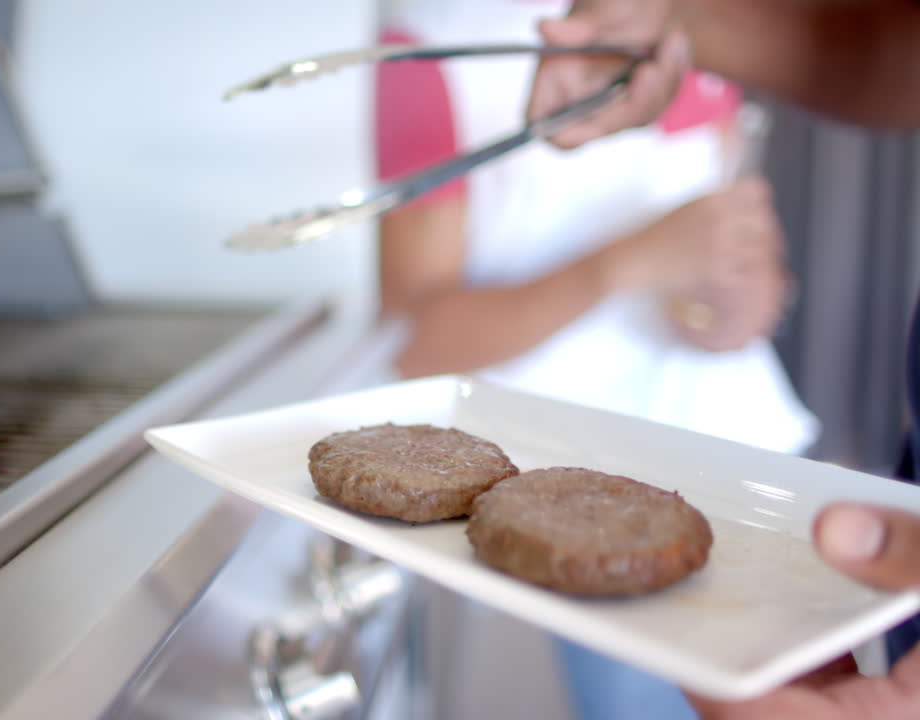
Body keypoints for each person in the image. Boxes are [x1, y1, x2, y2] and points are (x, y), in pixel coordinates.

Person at [374, 1, 819, 717]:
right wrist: (626, 264)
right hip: (585, 503)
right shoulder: (436, 45)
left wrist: (748, 301)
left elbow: (746, 268)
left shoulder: (702, 21)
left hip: (752, 477)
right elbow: (417, 339)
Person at [525, 0, 920, 717]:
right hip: (577, 475)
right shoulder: (444, 44)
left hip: (730, 471)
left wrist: (744, 296)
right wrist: (685, 24)